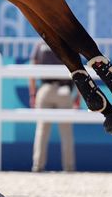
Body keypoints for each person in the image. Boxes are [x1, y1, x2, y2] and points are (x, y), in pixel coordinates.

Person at [28, 41, 79, 172]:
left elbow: (32, 69)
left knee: (42, 131)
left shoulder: (40, 44)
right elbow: (78, 70)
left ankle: (38, 165)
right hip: (64, 90)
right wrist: (78, 96)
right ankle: (69, 167)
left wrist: (32, 93)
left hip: (45, 89)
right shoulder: (68, 43)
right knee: (66, 132)